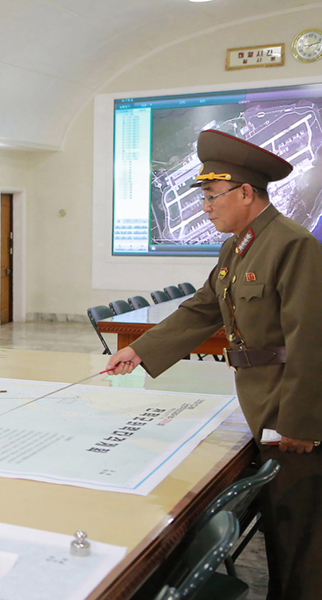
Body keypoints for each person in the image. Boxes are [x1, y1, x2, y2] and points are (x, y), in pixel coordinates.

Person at [106, 130, 322, 599]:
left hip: (287, 404)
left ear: (246, 193)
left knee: (300, 530)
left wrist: (301, 423)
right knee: (280, 521)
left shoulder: (291, 243)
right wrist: (141, 349)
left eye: (211, 195)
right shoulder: (238, 246)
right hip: (259, 396)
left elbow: (311, 339)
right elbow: (203, 308)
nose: (204, 206)